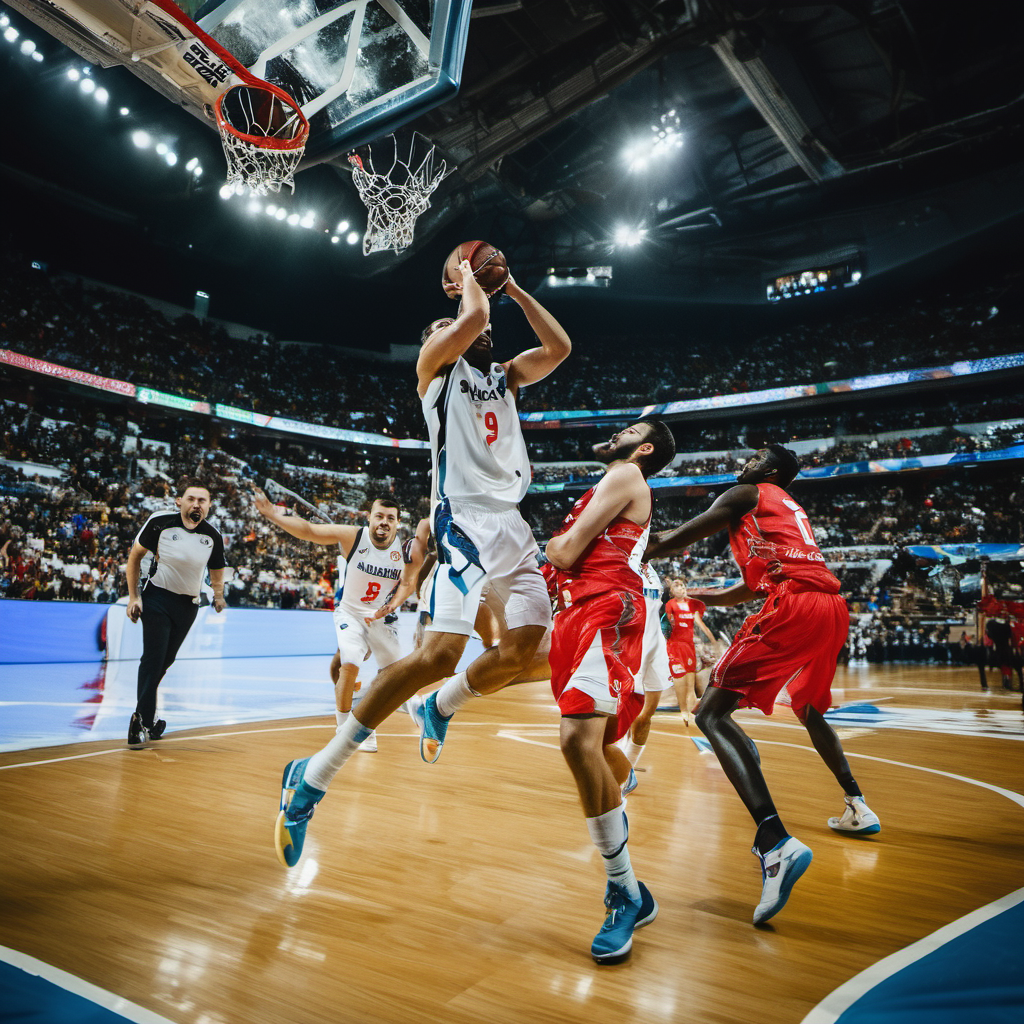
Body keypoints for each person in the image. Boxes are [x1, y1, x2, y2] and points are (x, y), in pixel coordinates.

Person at [275, 257, 571, 869]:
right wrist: (470, 275)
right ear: (436, 341)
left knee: (524, 653)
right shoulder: (433, 371)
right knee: (436, 655)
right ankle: (312, 778)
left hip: (512, 525)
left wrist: (511, 284)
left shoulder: (508, 376)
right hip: (460, 517)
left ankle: (439, 708)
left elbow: (561, 346)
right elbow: (475, 317)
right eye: (449, 323)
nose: (466, 326)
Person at [646, 444, 880, 926]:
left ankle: (775, 842)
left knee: (710, 714)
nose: (745, 461)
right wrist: (705, 596)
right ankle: (857, 805)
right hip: (830, 608)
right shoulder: (785, 512)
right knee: (810, 710)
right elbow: (750, 589)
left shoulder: (747, 493)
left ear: (769, 471)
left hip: (795, 604)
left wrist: (637, 547)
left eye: (756, 457)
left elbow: (685, 533)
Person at [546, 419, 676, 962]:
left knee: (578, 740)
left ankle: (623, 889)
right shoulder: (610, 484)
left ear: (642, 449)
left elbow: (566, 551)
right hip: (581, 609)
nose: (619, 432)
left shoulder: (626, 474)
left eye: (632, 430)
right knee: (597, 748)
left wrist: (550, 547)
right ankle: (624, 857)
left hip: (607, 605)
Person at [253, 490, 424, 751]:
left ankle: (409, 704)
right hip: (351, 613)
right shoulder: (354, 536)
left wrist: (392, 605)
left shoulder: (404, 549)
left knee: (395, 674)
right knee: (350, 663)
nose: (384, 522)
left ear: (398, 522)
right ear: (369, 518)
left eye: (390, 518)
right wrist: (271, 514)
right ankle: (346, 730)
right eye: (379, 516)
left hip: (383, 617)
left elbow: (409, 583)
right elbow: (310, 530)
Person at [125, 482, 226, 748]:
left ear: (209, 505)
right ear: (179, 502)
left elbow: (217, 570)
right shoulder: (160, 522)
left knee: (165, 662)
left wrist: (218, 596)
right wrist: (134, 597)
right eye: (191, 499)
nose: (196, 504)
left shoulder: (212, 536)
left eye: (202, 500)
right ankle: (140, 722)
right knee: (153, 659)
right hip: (157, 597)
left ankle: (149, 719)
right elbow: (134, 557)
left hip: (188, 605)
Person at [665, 576, 717, 723]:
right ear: (672, 591)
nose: (680, 589)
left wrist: (713, 641)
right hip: (675, 646)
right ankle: (683, 710)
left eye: (682, 586)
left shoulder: (692, 606)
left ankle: (691, 712)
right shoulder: (670, 605)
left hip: (688, 646)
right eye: (677, 587)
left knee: (690, 682)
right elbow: (667, 624)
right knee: (680, 678)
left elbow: (701, 625)